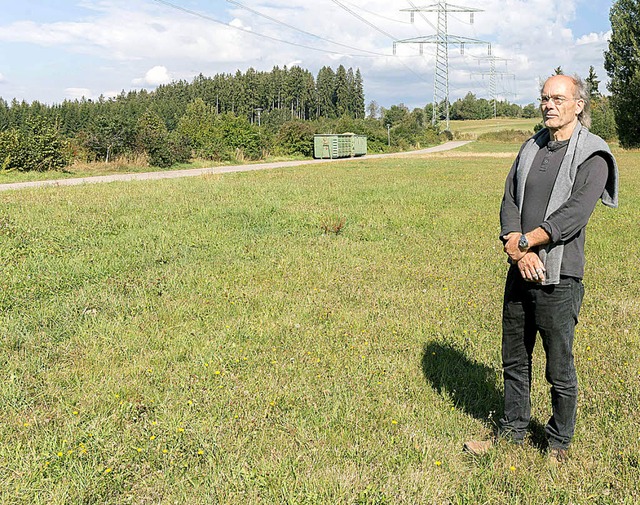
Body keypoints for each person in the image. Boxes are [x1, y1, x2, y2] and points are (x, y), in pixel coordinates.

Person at [464, 73, 619, 462]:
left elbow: (574, 214)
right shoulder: (531, 147)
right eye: (544, 98)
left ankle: (558, 443)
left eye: (558, 99)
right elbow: (509, 199)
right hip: (520, 268)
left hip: (560, 276)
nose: (549, 105)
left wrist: (527, 241)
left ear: (578, 105)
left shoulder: (594, 155)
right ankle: (513, 431)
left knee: (558, 365)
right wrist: (517, 249)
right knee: (514, 358)